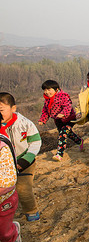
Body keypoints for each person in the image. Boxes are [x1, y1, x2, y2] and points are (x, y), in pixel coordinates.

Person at [0, 92, 41, 222]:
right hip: (5, 164)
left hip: (25, 162)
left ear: (13, 108)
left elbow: (35, 142)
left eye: (1, 110)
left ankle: (31, 211)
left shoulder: (24, 123)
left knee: (23, 188)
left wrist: (26, 159)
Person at [38, 80, 84, 161]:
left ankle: (59, 154)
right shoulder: (47, 100)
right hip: (58, 120)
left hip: (68, 118)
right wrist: (42, 120)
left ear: (56, 90)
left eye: (49, 90)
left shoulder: (63, 96)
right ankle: (79, 141)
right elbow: (45, 111)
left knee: (63, 134)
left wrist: (63, 113)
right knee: (67, 134)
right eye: (45, 90)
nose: (47, 92)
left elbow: (68, 106)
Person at [0, 132, 22, 242]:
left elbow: (8, 181)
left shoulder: (2, 148)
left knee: (3, 231)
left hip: (4, 200)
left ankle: (11, 237)